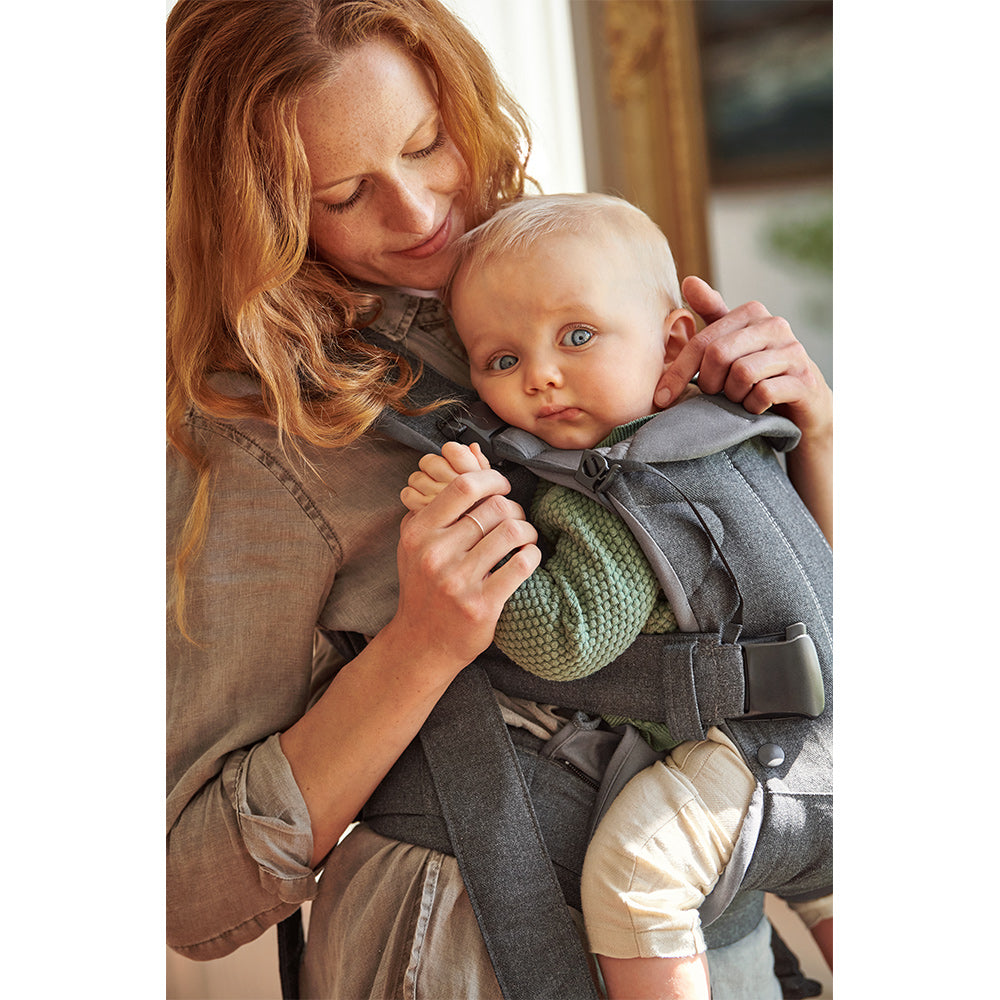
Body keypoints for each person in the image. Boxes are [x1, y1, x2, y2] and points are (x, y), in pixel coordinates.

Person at [166, 2, 834, 998]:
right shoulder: (255, 429)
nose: (417, 213)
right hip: (460, 951)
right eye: (344, 193)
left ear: (461, 100)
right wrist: (424, 642)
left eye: (425, 144)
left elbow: (813, 630)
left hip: (711, 923)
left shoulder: (583, 273)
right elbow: (192, 892)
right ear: (259, 215)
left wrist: (811, 433)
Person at [400, 192, 832, 1000]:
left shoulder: (617, 488)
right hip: (819, 742)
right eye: (502, 360)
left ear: (672, 345)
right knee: (822, 874)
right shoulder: (737, 430)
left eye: (577, 336)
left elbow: (569, 639)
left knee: (637, 875)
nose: (541, 375)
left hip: (746, 755)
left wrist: (477, 534)